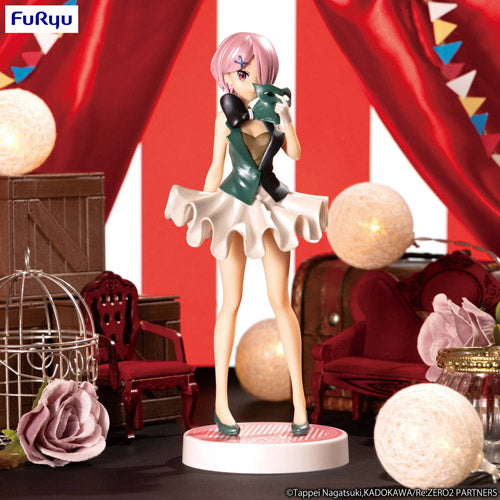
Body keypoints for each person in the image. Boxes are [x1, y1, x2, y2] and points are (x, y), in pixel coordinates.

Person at [165, 32, 328, 436]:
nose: (233, 81)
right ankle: (221, 403)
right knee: (231, 302)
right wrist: (204, 208)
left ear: (262, 71)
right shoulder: (224, 114)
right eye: (228, 74)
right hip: (233, 205)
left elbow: (295, 154)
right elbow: (215, 165)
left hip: (270, 204)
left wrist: (287, 119)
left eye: (241, 72)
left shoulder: (274, 111)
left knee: (281, 302)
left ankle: (299, 403)